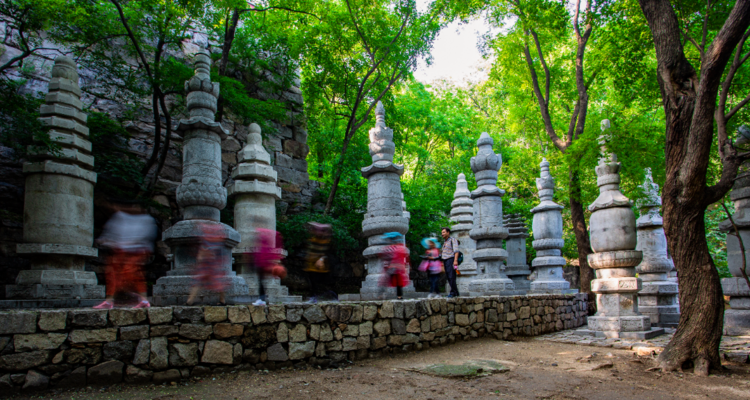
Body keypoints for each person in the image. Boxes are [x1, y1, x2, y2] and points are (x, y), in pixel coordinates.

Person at [94, 199, 157, 309]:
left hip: (137, 250)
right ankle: (109, 301)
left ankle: (143, 299)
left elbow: (147, 236)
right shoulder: (120, 216)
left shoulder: (146, 219)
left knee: (132, 274)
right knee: (111, 274)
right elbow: (111, 232)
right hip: (120, 250)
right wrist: (104, 240)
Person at [187, 222, 229, 306]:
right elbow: (221, 254)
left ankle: (190, 300)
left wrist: (199, 260)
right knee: (219, 282)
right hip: (214, 265)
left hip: (206, 265)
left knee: (198, 281)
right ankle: (222, 300)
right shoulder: (218, 240)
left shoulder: (206, 240)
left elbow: (201, 253)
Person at [250, 227, 284, 306]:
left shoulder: (267, 237)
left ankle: (262, 299)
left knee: (261, 280)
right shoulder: (264, 239)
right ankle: (262, 298)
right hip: (262, 261)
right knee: (261, 280)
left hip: (264, 262)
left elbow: (274, 248)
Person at [303, 222, 333, 303]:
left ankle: (328, 296)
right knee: (313, 281)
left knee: (321, 282)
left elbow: (328, 253)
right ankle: (314, 297)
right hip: (311, 265)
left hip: (322, 265)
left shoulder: (327, 240)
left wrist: (321, 259)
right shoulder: (312, 239)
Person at [379, 232, 410, 300]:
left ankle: (382, 293)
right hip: (399, 267)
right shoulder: (401, 248)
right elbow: (405, 257)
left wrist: (386, 266)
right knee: (398, 282)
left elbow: (385, 257)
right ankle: (399, 296)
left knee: (385, 279)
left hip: (392, 267)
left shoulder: (389, 248)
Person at [441, 227, 460, 298]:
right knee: (449, 277)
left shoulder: (453, 240)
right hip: (446, 260)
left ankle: (453, 292)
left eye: (443, 232)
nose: (442, 234)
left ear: (448, 232)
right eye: (442, 232)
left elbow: (456, 251)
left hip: (450, 259)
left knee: (451, 276)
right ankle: (456, 292)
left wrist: (455, 261)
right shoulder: (445, 242)